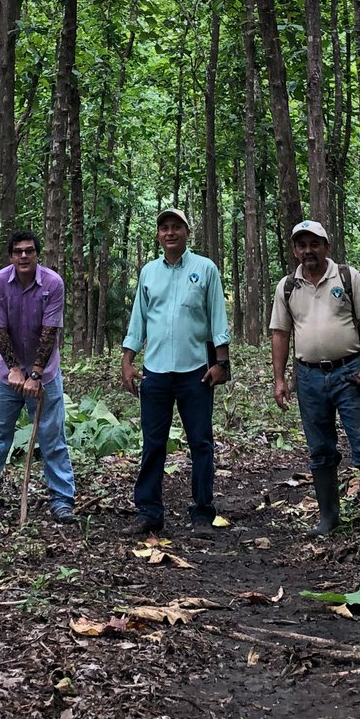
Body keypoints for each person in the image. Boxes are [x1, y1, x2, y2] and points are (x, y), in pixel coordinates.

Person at [270, 218, 360, 533]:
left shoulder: (347, 277)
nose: (308, 251)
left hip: (349, 372)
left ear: (326, 246)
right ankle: (328, 518)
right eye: (302, 245)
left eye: (314, 244)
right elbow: (280, 334)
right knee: (320, 449)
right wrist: (280, 379)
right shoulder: (287, 286)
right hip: (309, 377)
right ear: (295, 250)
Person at [120, 207, 231, 537]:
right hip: (155, 372)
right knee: (153, 443)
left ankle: (201, 513)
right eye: (164, 228)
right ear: (158, 235)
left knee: (200, 442)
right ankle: (149, 512)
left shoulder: (205, 269)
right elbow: (139, 319)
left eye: (176, 227)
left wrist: (221, 363)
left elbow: (217, 318)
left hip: (195, 370)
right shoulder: (148, 273)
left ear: (187, 232)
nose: (170, 233)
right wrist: (128, 359)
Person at [0, 229, 76, 524]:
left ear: (37, 254)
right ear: (11, 256)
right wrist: (15, 369)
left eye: (29, 250)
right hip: (6, 373)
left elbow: (50, 330)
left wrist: (36, 374)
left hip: (46, 374)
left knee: (52, 436)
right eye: (18, 251)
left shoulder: (53, 284)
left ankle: (62, 500)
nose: (24, 256)